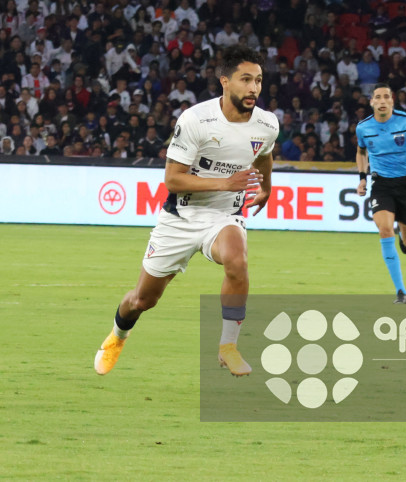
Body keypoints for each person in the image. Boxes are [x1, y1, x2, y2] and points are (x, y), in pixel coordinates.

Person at [94, 45, 279, 377]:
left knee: (237, 259)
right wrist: (225, 183)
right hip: (180, 218)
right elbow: (173, 180)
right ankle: (118, 336)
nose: (254, 88)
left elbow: (264, 154)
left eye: (259, 81)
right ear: (225, 81)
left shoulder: (267, 123)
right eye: (246, 79)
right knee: (142, 300)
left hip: (225, 216)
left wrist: (266, 186)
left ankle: (228, 347)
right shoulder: (196, 119)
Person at [356, 83, 406, 304]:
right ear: (371, 102)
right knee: (384, 229)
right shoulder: (363, 127)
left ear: (392, 101)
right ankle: (401, 291)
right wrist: (362, 177)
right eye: (377, 97)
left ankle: (405, 234)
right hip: (381, 184)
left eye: (386, 97)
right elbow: (361, 151)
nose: (382, 101)